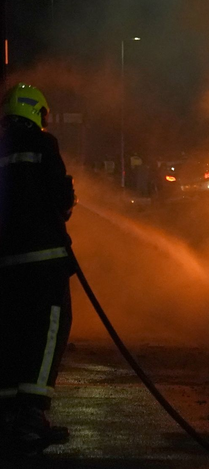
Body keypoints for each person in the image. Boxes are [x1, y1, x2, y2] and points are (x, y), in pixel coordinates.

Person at [0, 83, 76, 454]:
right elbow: (60, 201)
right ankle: (31, 417)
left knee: (10, 334)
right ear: (36, 112)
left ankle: (8, 415)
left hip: (6, 266)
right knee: (47, 333)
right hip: (44, 263)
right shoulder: (44, 146)